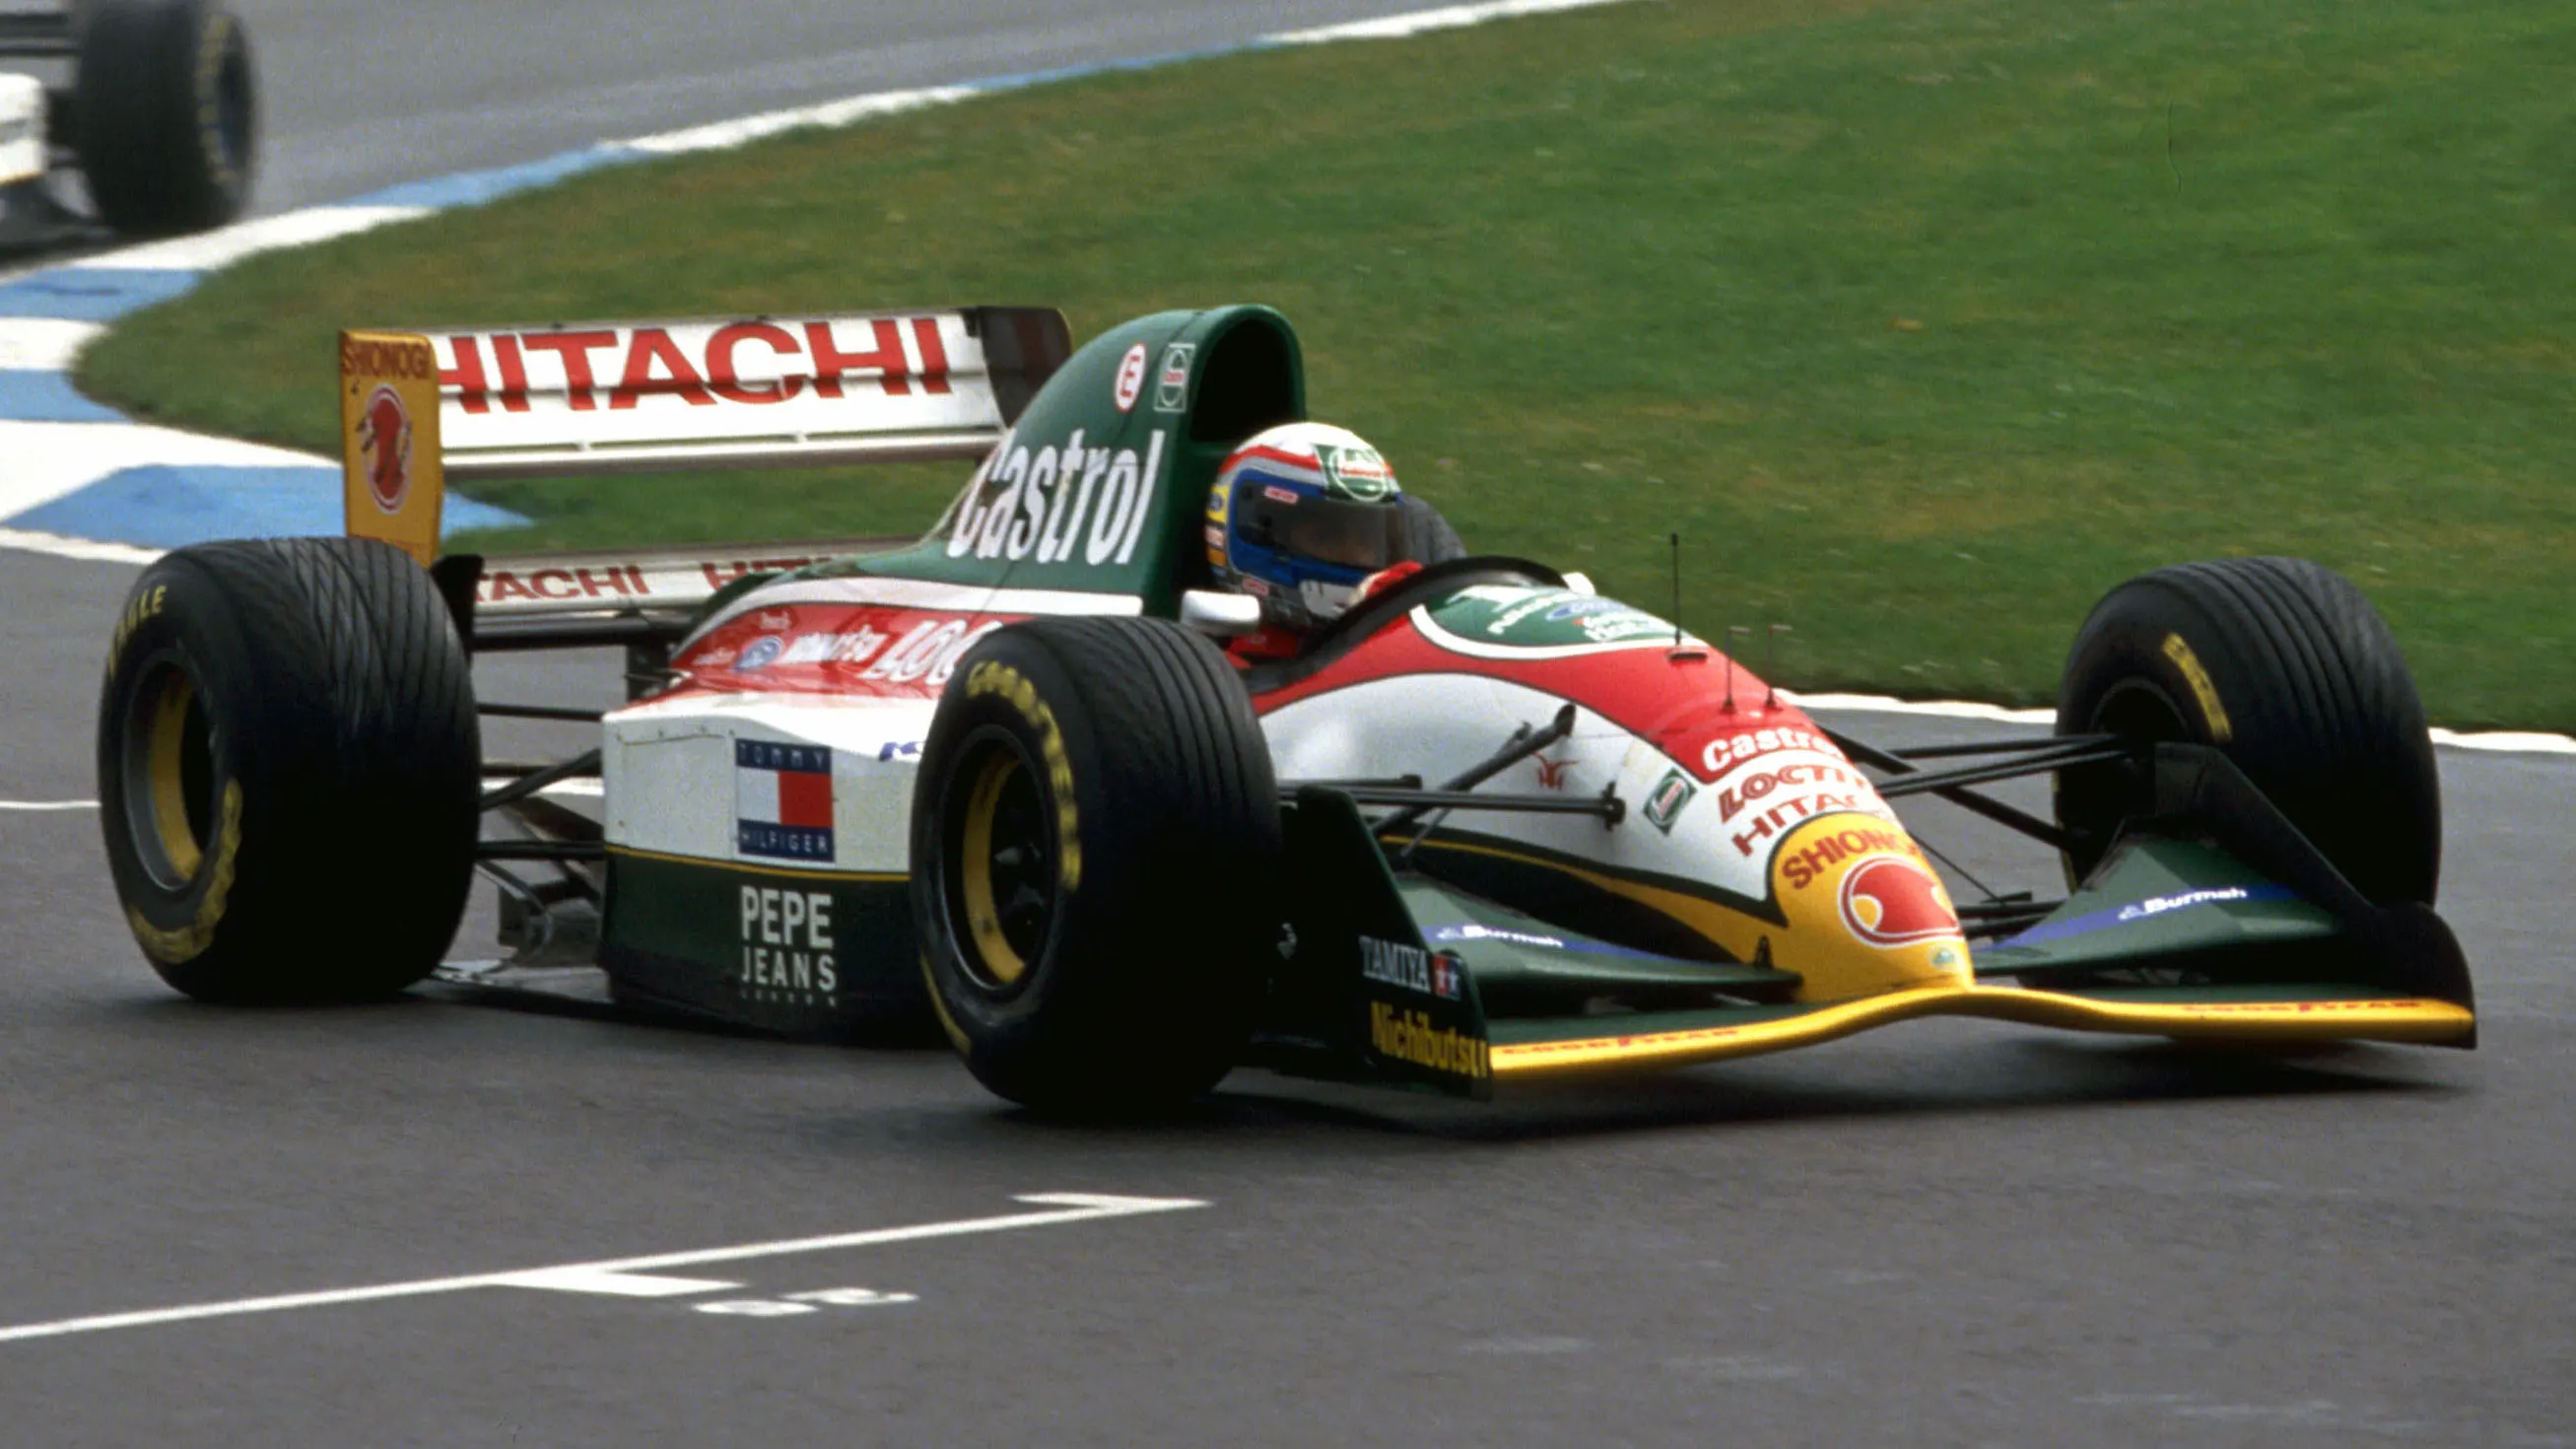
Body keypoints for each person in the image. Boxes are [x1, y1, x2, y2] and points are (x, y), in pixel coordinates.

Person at [1204, 422, 1435, 661]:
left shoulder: (1400, 631)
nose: (1358, 556)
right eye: (1327, 537)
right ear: (1257, 533)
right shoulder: (1215, 672)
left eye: (1368, 540)